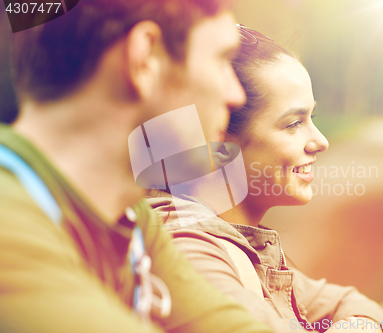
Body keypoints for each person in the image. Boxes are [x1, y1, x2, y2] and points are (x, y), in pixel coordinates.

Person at [0, 1, 276, 332]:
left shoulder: (129, 218)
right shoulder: (9, 225)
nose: (236, 95)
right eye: (222, 61)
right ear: (145, 59)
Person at [148, 25, 383, 333]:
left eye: (312, 118)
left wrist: (356, 325)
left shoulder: (241, 242)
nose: (321, 141)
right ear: (216, 141)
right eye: (294, 123)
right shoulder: (190, 256)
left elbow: (347, 301)